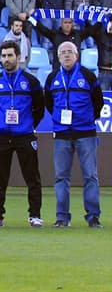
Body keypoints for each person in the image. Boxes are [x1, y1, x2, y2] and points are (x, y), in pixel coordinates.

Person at [0, 40, 45, 228]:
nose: (6, 59)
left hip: (25, 135)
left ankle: (34, 215)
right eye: (3, 56)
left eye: (10, 55)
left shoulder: (31, 81)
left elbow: (40, 108)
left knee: (32, 177)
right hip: (2, 136)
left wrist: (28, 125)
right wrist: (2, 124)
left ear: (19, 57)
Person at [44, 41, 103, 228]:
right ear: (58, 57)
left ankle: (93, 217)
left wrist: (85, 121)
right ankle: (62, 217)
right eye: (63, 52)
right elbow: (49, 104)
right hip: (61, 134)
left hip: (86, 133)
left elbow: (98, 103)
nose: (67, 55)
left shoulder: (88, 75)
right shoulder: (52, 77)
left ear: (77, 55)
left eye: (70, 52)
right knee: (61, 177)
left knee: (90, 176)